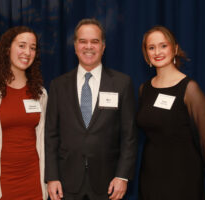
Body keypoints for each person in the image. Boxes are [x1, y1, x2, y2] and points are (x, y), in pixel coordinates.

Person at [45, 18, 137, 200]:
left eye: (95, 41)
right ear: (75, 46)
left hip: (108, 183)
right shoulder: (58, 85)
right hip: (66, 183)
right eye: (83, 41)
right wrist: (52, 176)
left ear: (103, 47)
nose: (89, 47)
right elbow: (51, 135)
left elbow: (129, 136)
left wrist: (122, 176)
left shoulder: (122, 83)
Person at [0, 26, 48, 200]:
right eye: (22, 45)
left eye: (32, 47)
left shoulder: (40, 93)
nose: (27, 52)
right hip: (2, 185)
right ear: (7, 49)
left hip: (34, 182)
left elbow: (43, 138)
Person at [137, 25, 205, 200]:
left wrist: (191, 166)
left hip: (183, 179)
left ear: (175, 48)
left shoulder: (190, 89)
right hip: (150, 177)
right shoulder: (145, 89)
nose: (157, 51)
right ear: (146, 54)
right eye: (151, 47)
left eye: (163, 45)